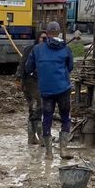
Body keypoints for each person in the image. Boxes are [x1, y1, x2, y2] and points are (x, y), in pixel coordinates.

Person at [24, 21, 74, 159]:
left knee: (47, 118)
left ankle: (48, 153)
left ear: (46, 32)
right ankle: (63, 149)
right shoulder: (65, 49)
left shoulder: (37, 49)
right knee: (65, 117)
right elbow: (70, 67)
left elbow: (28, 68)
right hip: (63, 88)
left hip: (46, 90)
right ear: (59, 32)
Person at [16, 30, 47, 145]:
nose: (44, 40)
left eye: (46, 38)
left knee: (33, 109)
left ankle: (32, 137)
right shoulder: (30, 49)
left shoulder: (46, 51)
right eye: (42, 38)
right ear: (37, 38)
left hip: (40, 82)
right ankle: (40, 136)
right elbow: (22, 65)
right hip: (29, 82)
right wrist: (19, 79)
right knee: (39, 105)